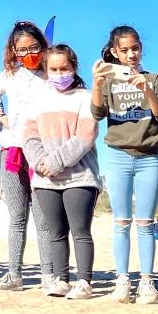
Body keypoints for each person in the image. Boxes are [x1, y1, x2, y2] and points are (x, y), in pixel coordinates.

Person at [90, 25, 158, 304]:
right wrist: (98, 83)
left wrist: (146, 90)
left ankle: (147, 281)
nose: (131, 54)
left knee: (145, 222)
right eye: (124, 50)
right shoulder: (110, 82)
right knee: (121, 221)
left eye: (135, 48)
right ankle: (123, 280)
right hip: (117, 156)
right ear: (114, 52)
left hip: (149, 157)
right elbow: (97, 113)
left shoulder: (157, 79)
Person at [21, 44, 100, 299]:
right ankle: (61, 279)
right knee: (55, 233)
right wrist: (40, 162)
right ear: (46, 69)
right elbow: (29, 136)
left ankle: (84, 282)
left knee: (80, 231)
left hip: (79, 176)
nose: (58, 73)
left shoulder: (85, 98)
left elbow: (85, 137)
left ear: (73, 67)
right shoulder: (38, 99)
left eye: (63, 68)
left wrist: (55, 162)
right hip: (45, 179)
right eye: (53, 69)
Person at [0, 20, 55, 291]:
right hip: (13, 150)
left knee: (43, 218)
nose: (29, 55)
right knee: (17, 216)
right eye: (21, 50)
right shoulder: (8, 75)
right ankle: (14, 274)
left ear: (43, 46)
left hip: (43, 151)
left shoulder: (52, 73)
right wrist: (2, 118)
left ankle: (49, 275)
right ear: (13, 51)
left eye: (34, 48)